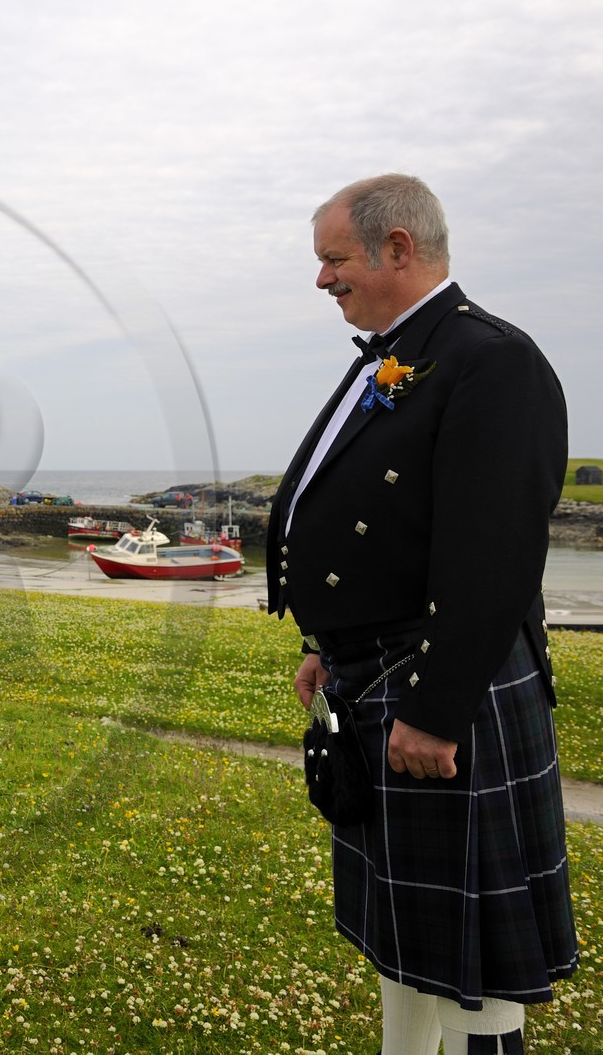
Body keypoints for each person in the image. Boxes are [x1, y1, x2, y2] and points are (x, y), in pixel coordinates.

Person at [266, 174, 578, 1054]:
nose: (324, 280)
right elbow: (387, 526)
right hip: (376, 671)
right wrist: (329, 646)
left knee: (468, 958)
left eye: (334, 260)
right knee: (405, 941)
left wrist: (437, 711)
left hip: (447, 687)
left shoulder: (492, 360)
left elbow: (495, 555)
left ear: (397, 248)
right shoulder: (401, 355)